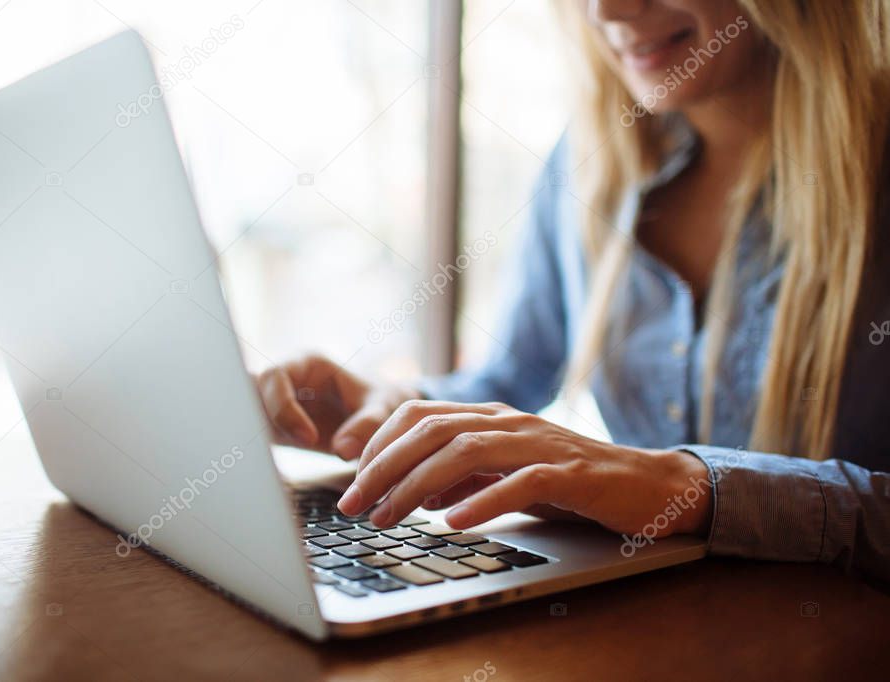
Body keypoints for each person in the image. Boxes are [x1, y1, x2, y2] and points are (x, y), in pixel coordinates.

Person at [256, 0, 890, 582]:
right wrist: (395, 411)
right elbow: (511, 379)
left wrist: (684, 486)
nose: (608, 9)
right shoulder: (590, 161)